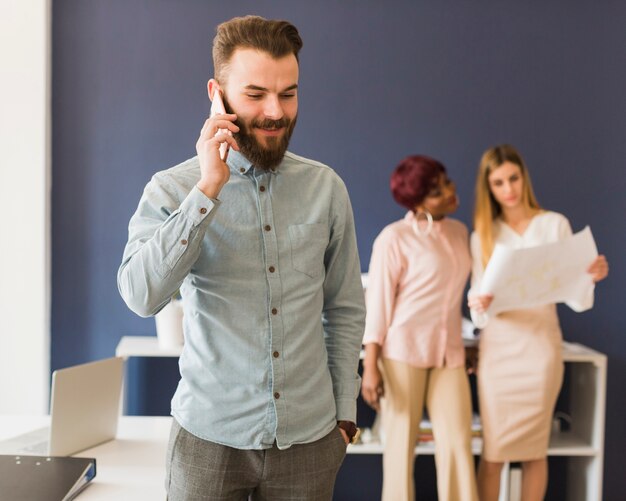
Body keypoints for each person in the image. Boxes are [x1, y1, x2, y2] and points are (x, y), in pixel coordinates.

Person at [117, 16, 365, 501]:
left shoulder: (326, 188)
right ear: (218, 94)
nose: (276, 112)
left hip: (311, 442)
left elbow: (344, 308)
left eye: (288, 93)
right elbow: (141, 298)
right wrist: (207, 189)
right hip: (207, 441)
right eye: (255, 95)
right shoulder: (172, 188)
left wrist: (345, 416)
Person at [467, 144, 609, 501]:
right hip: (499, 352)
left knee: (534, 451)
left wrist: (589, 277)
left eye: (513, 178)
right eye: (498, 182)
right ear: (489, 188)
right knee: (494, 453)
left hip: (540, 348)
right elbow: (478, 313)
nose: (508, 188)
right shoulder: (483, 234)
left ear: (523, 177)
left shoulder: (554, 224)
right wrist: (479, 302)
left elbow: (577, 299)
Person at [361, 155, 479, 501]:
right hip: (401, 353)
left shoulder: (460, 232)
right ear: (416, 201)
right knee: (400, 448)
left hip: (449, 353)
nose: (449, 191)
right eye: (436, 191)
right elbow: (379, 306)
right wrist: (371, 366)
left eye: (445, 181)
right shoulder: (394, 238)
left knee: (458, 443)